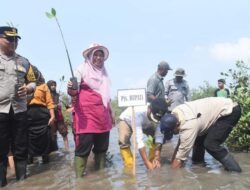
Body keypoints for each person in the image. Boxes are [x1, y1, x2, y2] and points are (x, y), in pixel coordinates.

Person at [151, 97, 242, 172]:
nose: (175, 134)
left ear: (177, 125)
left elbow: (179, 159)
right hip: (207, 114)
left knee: (210, 144)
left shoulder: (189, 126)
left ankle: (235, 171)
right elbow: (180, 144)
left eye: (174, 132)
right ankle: (199, 166)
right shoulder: (175, 112)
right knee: (197, 142)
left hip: (229, 111)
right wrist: (172, 163)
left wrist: (173, 177)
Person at [67, 43, 113, 178]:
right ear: (90, 56)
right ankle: (80, 180)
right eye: (96, 55)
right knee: (83, 148)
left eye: (101, 55)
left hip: (103, 116)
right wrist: (72, 88)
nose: (99, 58)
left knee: (102, 147)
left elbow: (107, 97)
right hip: (86, 116)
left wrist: (111, 113)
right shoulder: (81, 69)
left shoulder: (105, 73)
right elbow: (73, 92)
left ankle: (101, 177)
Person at [0, 26, 36, 187]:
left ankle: (22, 182)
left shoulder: (24, 61)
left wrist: (28, 88)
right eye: (9, 39)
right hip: (0, 110)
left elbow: (33, 82)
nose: (13, 42)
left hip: (20, 110)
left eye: (16, 39)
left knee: (21, 146)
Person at [118, 102, 168, 170]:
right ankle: (129, 166)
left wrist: (157, 156)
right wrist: (146, 162)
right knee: (123, 141)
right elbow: (139, 141)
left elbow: (159, 136)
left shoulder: (160, 115)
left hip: (146, 123)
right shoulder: (138, 114)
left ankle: (152, 159)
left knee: (153, 138)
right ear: (149, 108)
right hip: (127, 121)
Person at [27, 66, 55, 164]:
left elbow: (49, 102)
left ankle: (46, 163)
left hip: (42, 114)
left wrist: (52, 116)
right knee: (29, 138)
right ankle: (30, 165)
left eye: (35, 74)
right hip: (28, 114)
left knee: (45, 139)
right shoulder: (23, 85)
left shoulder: (43, 86)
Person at [47, 80, 69, 151]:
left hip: (59, 118)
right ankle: (55, 151)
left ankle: (67, 150)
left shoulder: (58, 95)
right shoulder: (47, 95)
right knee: (53, 135)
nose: (53, 86)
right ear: (48, 86)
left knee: (64, 134)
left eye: (54, 85)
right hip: (51, 118)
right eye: (52, 85)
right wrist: (53, 106)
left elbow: (65, 105)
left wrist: (58, 105)